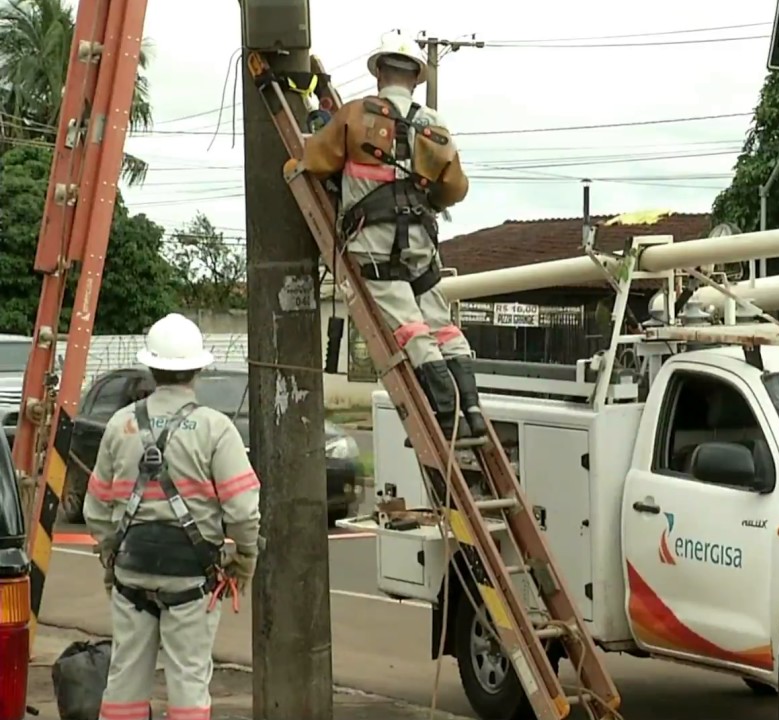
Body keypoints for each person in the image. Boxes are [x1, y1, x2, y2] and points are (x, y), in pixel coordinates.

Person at [291, 31, 486, 443]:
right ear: (416, 77)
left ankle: (447, 412)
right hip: (421, 242)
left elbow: (317, 161)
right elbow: (455, 189)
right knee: (442, 325)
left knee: (409, 327)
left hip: (372, 242)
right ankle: (472, 409)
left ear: (380, 71)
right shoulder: (434, 126)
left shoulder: (355, 115)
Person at [84, 313, 261, 720]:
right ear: (197, 369)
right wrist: (245, 557)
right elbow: (242, 509)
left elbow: (96, 509)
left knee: (125, 680)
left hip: (132, 574)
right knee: (188, 684)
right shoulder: (215, 429)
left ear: (151, 367)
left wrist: (111, 555)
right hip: (192, 580)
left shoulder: (121, 424)